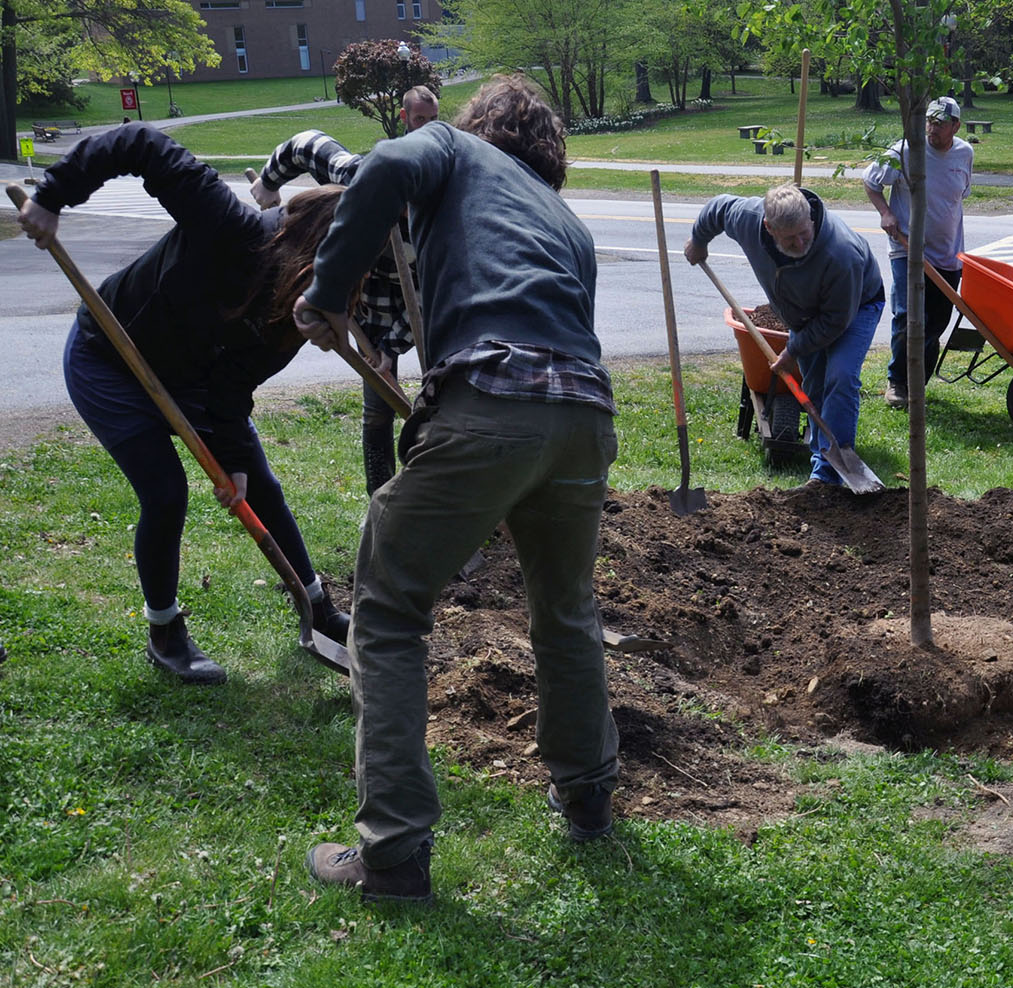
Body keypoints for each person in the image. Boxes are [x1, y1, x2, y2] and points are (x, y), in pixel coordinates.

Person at [294, 75, 620, 904]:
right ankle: (587, 797)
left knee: (391, 604)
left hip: (493, 404)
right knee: (566, 608)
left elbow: (379, 169)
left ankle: (394, 853)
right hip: (584, 418)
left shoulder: (451, 148)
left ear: (479, 126)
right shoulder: (565, 220)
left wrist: (327, 294)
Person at [15, 124, 352, 686]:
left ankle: (316, 607)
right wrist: (53, 195)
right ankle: (165, 632)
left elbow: (232, 385)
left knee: (261, 483)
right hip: (112, 357)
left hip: (193, 377)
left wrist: (234, 461)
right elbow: (141, 143)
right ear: (303, 258)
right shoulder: (227, 226)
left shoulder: (291, 314)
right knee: (166, 492)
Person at [251, 128, 420, 497]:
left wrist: (391, 349)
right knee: (377, 412)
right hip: (363, 310)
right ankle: (381, 502)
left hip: (416, 317)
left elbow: (425, 298)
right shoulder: (363, 178)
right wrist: (268, 181)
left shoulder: (434, 228)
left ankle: (437, 502)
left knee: (437, 409)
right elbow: (306, 144)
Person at [684, 183, 884, 487]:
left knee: (840, 377)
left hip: (856, 307)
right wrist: (699, 241)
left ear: (811, 220)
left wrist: (792, 350)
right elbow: (718, 208)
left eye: (805, 233)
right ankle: (822, 464)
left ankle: (828, 475)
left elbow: (834, 321)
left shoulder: (841, 253)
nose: (801, 242)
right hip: (803, 313)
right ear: (768, 227)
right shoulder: (748, 218)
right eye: (789, 238)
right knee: (815, 384)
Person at [862, 95, 973, 407]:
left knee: (937, 321)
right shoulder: (906, 150)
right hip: (907, 249)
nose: (931, 128)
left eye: (939, 123)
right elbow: (870, 181)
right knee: (909, 316)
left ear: (956, 126)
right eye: (929, 121)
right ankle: (897, 381)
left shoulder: (965, 153)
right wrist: (886, 213)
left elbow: (959, 197)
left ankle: (918, 384)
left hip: (949, 255)